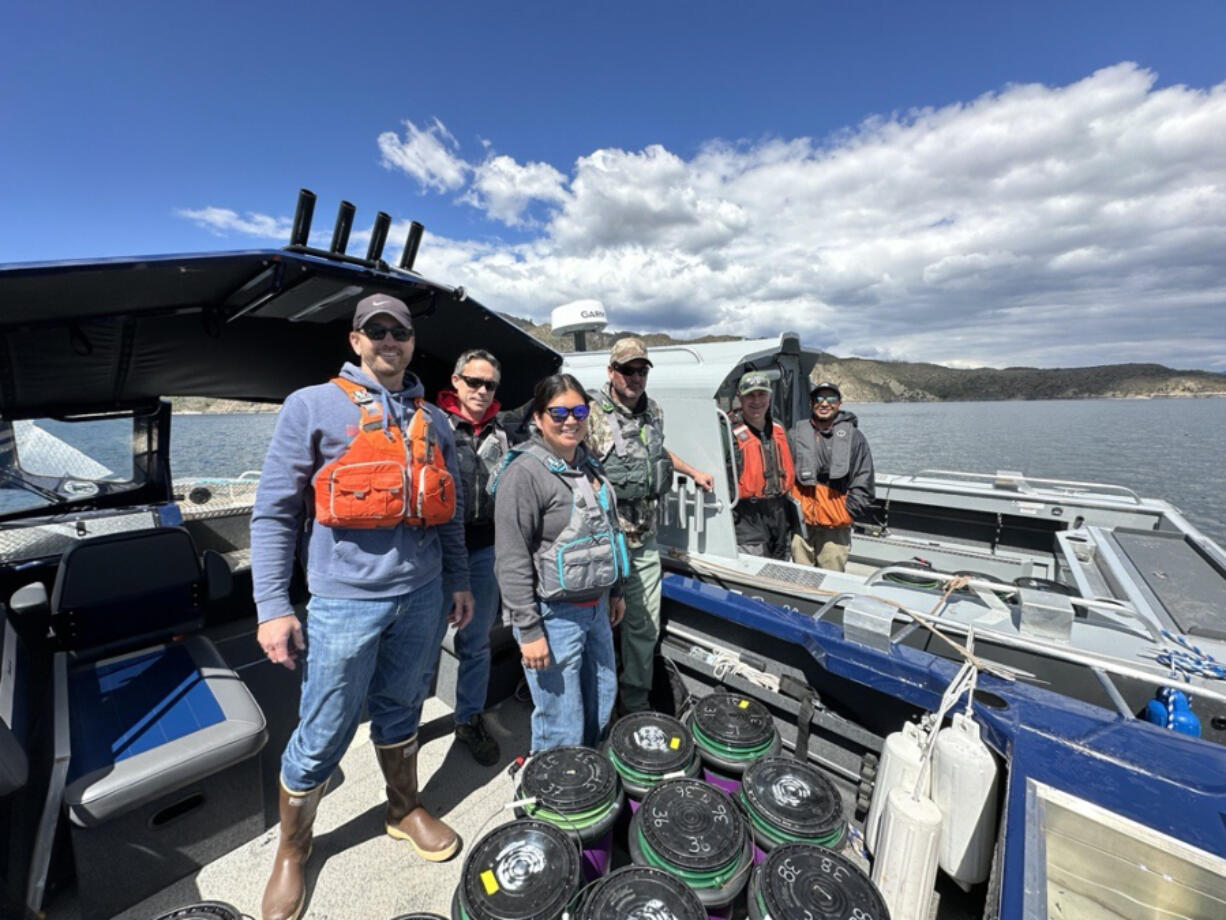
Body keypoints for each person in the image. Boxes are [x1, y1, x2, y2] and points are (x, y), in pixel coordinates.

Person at [251, 293, 474, 920]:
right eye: (376, 330)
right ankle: (294, 850)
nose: (389, 339)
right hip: (344, 604)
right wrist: (272, 604)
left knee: (403, 707)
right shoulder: (310, 406)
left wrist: (458, 579)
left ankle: (402, 809)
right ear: (355, 340)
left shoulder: (434, 420)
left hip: (423, 596)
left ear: (410, 341)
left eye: (400, 330)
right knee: (323, 730)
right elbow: (273, 511)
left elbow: (448, 512)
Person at [492, 374, 628, 751]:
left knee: (601, 701)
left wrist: (616, 591)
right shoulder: (523, 473)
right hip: (552, 618)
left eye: (579, 411)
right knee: (560, 720)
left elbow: (609, 533)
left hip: (597, 609)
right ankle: (555, 798)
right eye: (559, 412)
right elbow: (511, 557)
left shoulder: (590, 465)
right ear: (538, 418)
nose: (571, 420)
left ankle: (589, 781)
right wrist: (530, 631)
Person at [585, 337, 714, 714]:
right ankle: (597, 706)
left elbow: (658, 453)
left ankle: (635, 704)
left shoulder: (654, 411)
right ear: (612, 372)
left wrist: (692, 471)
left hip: (642, 541)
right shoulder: (590, 412)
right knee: (597, 629)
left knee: (643, 629)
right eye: (628, 370)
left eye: (642, 371)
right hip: (601, 542)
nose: (635, 377)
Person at [434, 349, 508, 765]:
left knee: (476, 641)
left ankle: (468, 718)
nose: (481, 391)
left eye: (490, 384)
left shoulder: (503, 431)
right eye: (474, 382)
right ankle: (401, 732)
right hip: (435, 551)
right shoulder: (432, 425)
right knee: (421, 641)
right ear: (456, 382)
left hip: (483, 550)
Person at [788, 381, 875, 572]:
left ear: (839, 403)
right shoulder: (794, 435)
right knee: (801, 579)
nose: (824, 403)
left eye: (831, 398)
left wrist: (847, 512)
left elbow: (864, 478)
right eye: (818, 398)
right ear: (811, 404)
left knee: (831, 581)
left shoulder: (855, 437)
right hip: (802, 529)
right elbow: (785, 475)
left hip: (835, 529)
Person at [728, 371, 795, 559]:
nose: (756, 401)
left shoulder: (779, 428)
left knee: (781, 567)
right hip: (746, 517)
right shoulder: (727, 432)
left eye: (761, 394)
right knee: (753, 568)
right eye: (750, 395)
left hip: (780, 513)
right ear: (739, 398)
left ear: (770, 396)